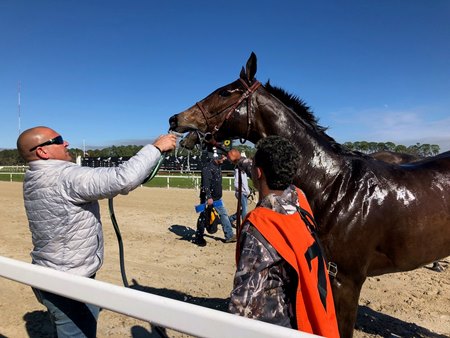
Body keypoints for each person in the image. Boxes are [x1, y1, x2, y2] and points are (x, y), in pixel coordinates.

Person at [17, 126, 177, 338]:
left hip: (47, 272)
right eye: (59, 140)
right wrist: (155, 148)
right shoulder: (64, 176)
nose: (66, 143)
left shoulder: (34, 176)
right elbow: (123, 179)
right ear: (42, 152)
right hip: (70, 281)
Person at [229, 136, 339, 337]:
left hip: (277, 328)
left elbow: (241, 307)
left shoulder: (260, 227)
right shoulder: (299, 199)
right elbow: (263, 171)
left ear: (259, 172)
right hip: (313, 319)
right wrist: (239, 160)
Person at [193, 148, 236, 246]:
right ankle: (199, 237)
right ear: (217, 156)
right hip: (208, 198)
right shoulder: (207, 168)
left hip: (217, 198)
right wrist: (208, 197)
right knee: (203, 216)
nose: (225, 159)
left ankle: (229, 235)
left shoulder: (218, 166)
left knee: (223, 214)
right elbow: (206, 184)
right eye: (223, 156)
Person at [228, 151, 250, 227]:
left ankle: (231, 219)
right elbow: (237, 183)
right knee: (244, 209)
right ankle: (244, 224)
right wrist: (246, 191)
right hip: (242, 192)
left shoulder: (242, 171)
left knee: (242, 209)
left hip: (242, 192)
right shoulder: (239, 171)